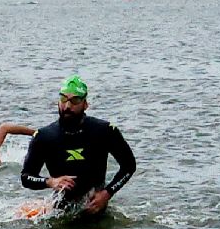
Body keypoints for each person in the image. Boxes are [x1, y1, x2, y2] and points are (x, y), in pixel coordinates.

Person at [20, 76, 135, 217]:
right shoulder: (44, 136)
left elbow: (129, 165)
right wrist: (50, 182)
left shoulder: (104, 131)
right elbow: (26, 177)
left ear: (85, 104)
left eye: (75, 101)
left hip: (96, 209)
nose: (67, 106)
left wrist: (107, 193)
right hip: (61, 213)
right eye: (63, 99)